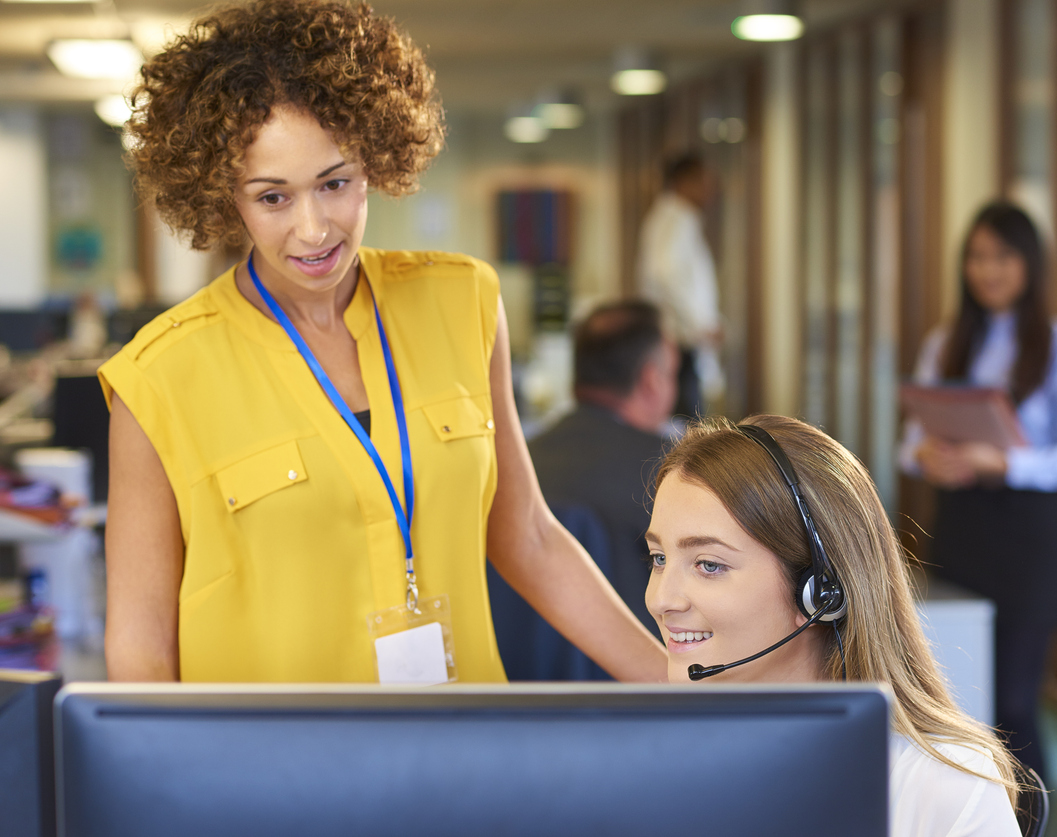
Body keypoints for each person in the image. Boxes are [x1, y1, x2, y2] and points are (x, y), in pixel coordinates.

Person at [98, 0, 665, 684]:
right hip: (265, 775)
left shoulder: (464, 303)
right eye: (273, 197)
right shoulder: (160, 376)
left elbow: (529, 536)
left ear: (377, 159)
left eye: (335, 184)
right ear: (225, 197)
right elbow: (140, 649)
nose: (314, 229)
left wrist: (671, 684)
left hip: (457, 748)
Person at [645, 415, 1023, 837]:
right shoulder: (661, 764)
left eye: (708, 565)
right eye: (659, 559)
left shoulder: (942, 785)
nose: (660, 600)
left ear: (820, 593)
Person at [898, 202, 1057, 784]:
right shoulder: (946, 342)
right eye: (977, 257)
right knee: (956, 700)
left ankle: (1028, 822)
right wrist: (927, 456)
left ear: (1030, 264)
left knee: (1014, 706)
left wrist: (1005, 462)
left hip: (1027, 540)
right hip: (960, 532)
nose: (987, 270)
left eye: (1002, 257)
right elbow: (910, 439)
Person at [529, 300, 678, 634]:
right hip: (649, 673)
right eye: (671, 373)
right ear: (652, 380)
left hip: (515, 680)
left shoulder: (523, 464)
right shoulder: (677, 475)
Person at [636, 152, 722, 418]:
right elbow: (666, 274)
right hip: (681, 339)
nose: (710, 189)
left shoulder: (675, 218)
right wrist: (700, 324)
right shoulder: (676, 219)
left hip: (681, 337)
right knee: (687, 429)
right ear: (683, 182)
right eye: (703, 180)